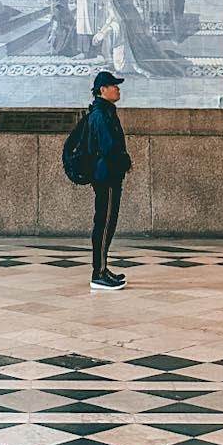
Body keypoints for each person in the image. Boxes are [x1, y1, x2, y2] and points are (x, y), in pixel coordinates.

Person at [86, 71, 131, 293]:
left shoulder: (104, 111)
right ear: (103, 89)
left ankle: (103, 269)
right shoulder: (102, 114)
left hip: (108, 174)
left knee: (106, 222)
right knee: (104, 223)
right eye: (114, 86)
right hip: (108, 175)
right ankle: (99, 273)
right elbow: (108, 146)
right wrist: (123, 161)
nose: (118, 89)